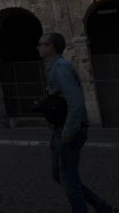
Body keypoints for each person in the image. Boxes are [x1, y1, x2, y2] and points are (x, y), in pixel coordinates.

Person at [37, 32, 117, 213]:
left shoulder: (61, 67)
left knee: (68, 177)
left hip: (68, 130)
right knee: (59, 174)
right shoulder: (52, 67)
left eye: (41, 44)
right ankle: (102, 207)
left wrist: (68, 131)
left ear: (51, 47)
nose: (38, 47)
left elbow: (75, 102)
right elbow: (62, 97)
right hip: (60, 128)